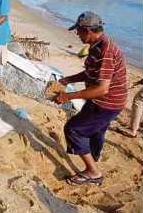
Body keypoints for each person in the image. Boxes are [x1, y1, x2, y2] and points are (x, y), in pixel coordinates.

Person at [55, 11, 128, 185]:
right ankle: (93, 159)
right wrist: (69, 79)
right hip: (105, 100)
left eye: (78, 31)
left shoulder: (106, 51)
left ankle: (94, 172)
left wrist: (69, 96)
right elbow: (91, 73)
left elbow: (101, 89)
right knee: (96, 130)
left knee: (73, 129)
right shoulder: (96, 46)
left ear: (87, 30)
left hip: (107, 102)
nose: (77, 35)